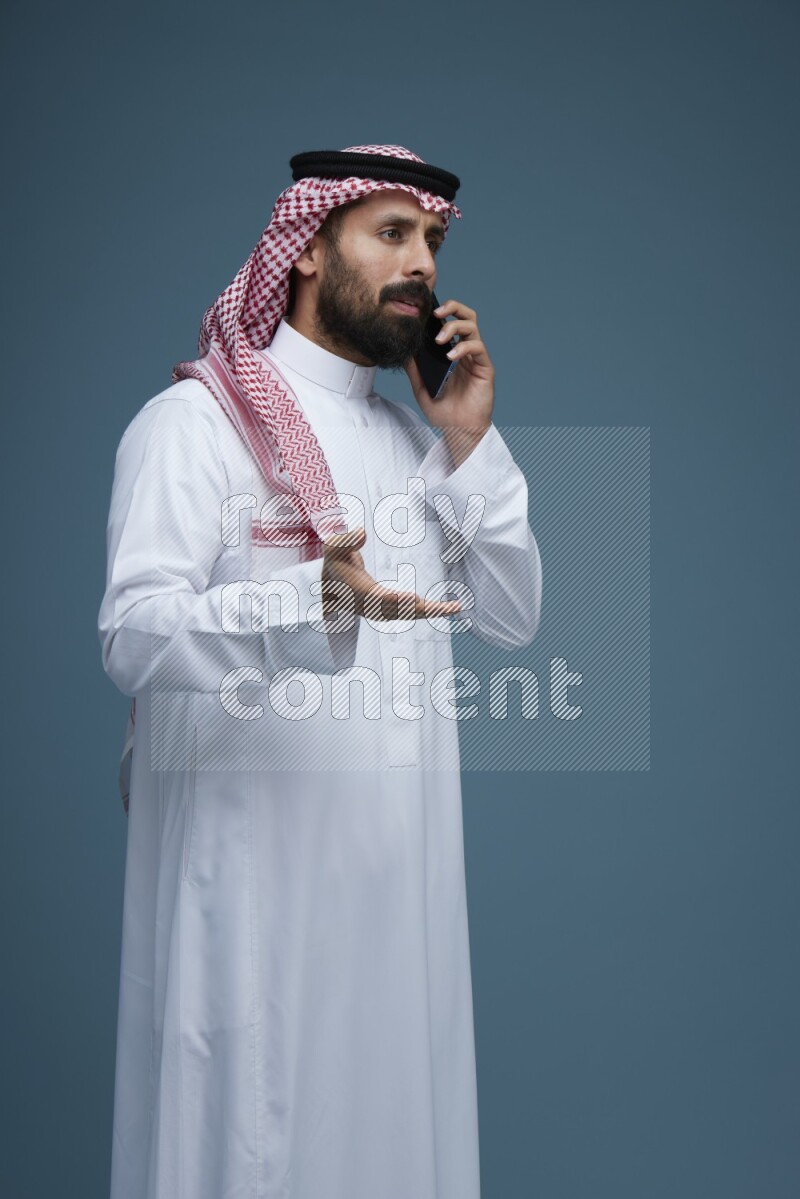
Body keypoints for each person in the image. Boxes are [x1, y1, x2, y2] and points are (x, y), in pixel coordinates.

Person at [98, 144, 542, 1199]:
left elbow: (514, 616)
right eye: (391, 233)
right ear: (303, 247)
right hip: (254, 912)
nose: (421, 262)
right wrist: (312, 599)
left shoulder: (415, 445)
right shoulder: (193, 426)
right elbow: (132, 633)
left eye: (431, 240)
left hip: (403, 916)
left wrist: (470, 444)